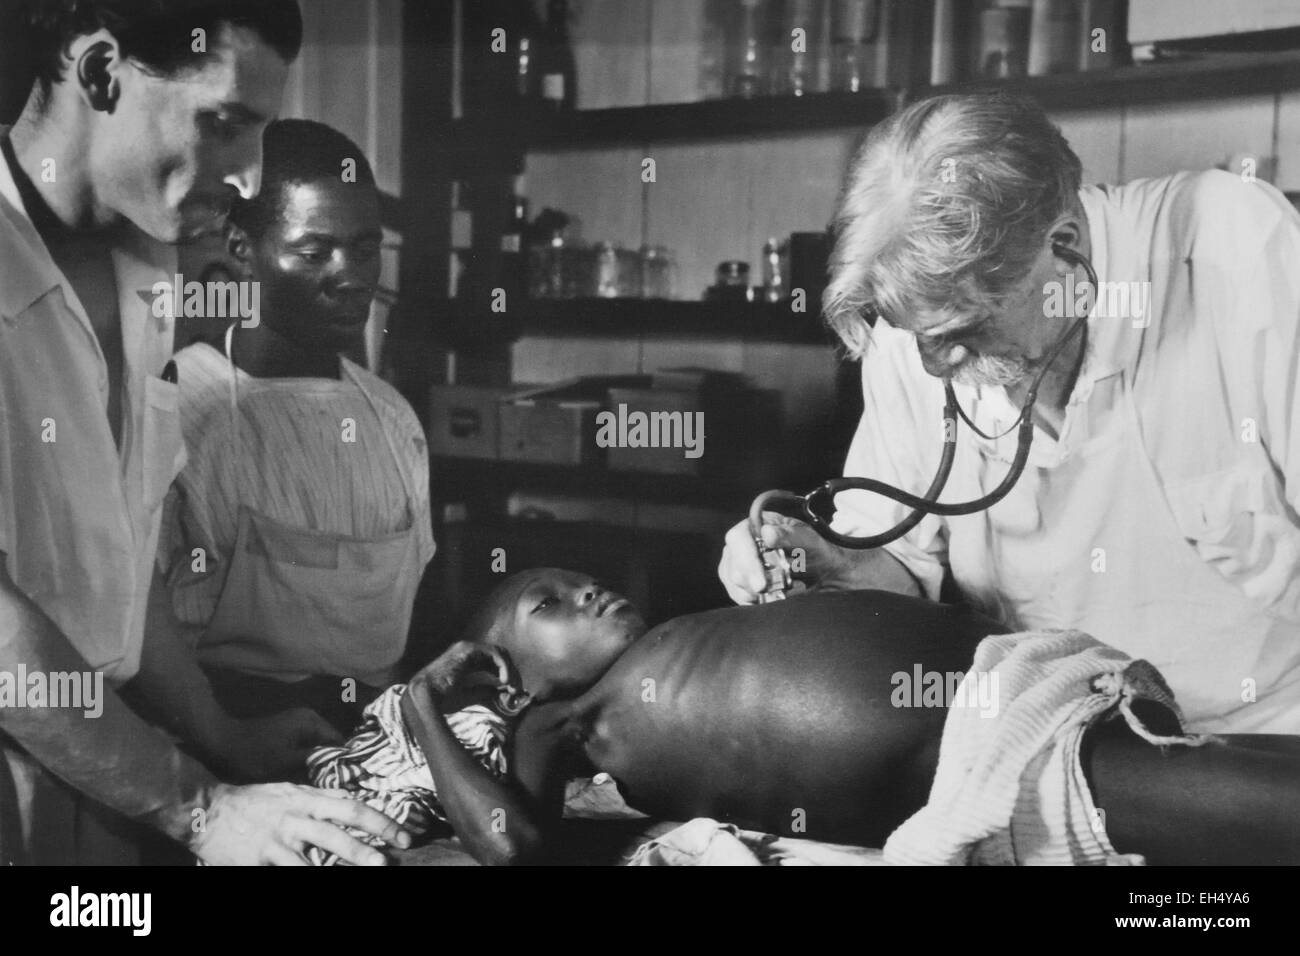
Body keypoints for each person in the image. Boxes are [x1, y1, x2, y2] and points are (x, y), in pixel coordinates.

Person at [719, 92, 1300, 735]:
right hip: (1045, 744)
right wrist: (832, 563)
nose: (936, 365)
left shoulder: (1231, 250)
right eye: (919, 338)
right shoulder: (912, 329)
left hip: (1266, 746)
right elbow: (905, 573)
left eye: (965, 330)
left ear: (1065, 246)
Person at [0, 0, 408, 865]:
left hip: (105, 772)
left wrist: (222, 735)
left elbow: (120, 559)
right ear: (102, 73)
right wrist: (202, 809)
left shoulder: (145, 265)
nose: (250, 178)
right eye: (223, 124)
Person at [309, 568, 1300, 866]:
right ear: (507, 672)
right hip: (1003, 767)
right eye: (551, 607)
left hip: (1031, 689)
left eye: (582, 581)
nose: (592, 594)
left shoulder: (678, 635)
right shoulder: (559, 723)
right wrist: (421, 707)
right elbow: (511, 843)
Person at [135, 118, 435, 781]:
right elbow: (133, 629)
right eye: (314, 251)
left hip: (372, 751)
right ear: (242, 248)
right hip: (221, 755)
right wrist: (222, 741)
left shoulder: (392, 421)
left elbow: (395, 644)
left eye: (365, 249)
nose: (350, 276)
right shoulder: (178, 406)